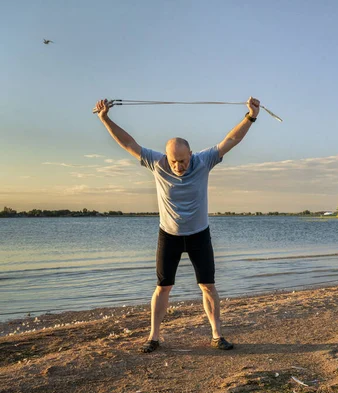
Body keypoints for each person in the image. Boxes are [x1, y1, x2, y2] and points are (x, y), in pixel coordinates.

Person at [95, 97, 261, 353]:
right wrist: (105, 118)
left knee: (207, 286)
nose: (178, 166)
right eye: (173, 161)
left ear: (190, 155)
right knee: (163, 287)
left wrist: (250, 116)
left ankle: (217, 335)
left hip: (199, 235)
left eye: (182, 160)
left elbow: (231, 140)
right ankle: (153, 337)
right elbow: (129, 143)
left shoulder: (204, 161)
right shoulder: (156, 163)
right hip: (169, 236)